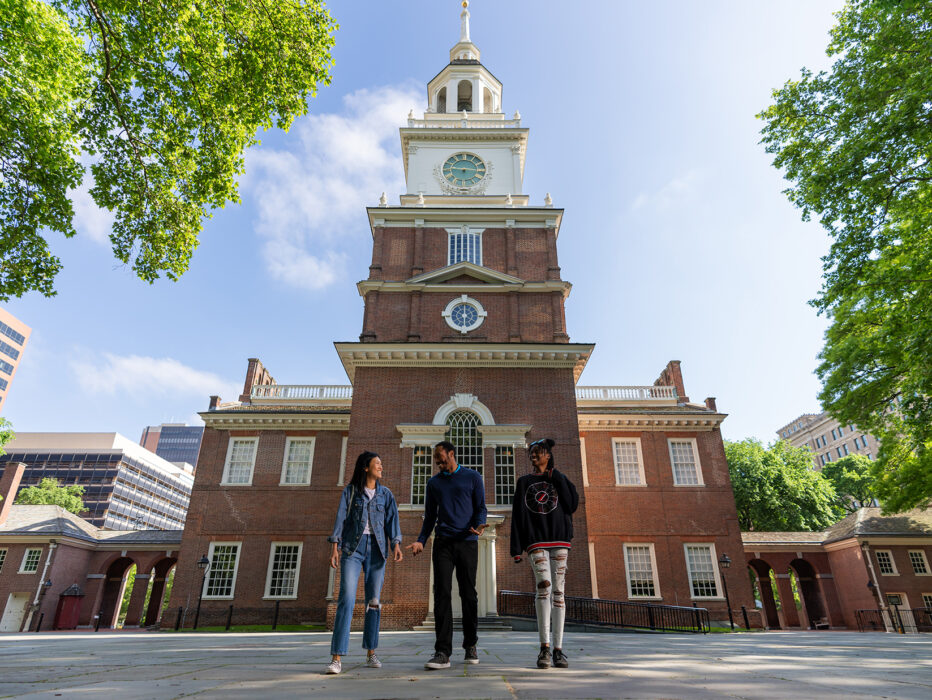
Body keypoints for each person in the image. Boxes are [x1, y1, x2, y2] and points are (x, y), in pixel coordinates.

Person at [406, 441, 487, 670]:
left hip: (467, 542)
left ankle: (470, 645)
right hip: (443, 543)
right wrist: (421, 540)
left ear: (451, 454)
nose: (438, 462)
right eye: (436, 459)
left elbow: (481, 507)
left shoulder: (472, 477)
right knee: (441, 594)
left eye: (441, 458)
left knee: (468, 594)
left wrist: (480, 525)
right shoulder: (434, 483)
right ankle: (442, 652)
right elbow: (430, 516)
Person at [326, 451, 402, 675]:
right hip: (352, 549)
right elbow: (340, 518)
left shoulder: (386, 495)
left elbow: (392, 522)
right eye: (377, 463)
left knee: (374, 602)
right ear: (365, 467)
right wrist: (334, 548)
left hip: (377, 551)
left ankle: (371, 652)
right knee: (347, 599)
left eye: (381, 463)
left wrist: (396, 544)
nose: (381, 466)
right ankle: (336, 657)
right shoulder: (351, 493)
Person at [510, 438, 579, 669]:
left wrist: (555, 476)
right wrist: (516, 548)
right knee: (544, 588)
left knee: (559, 592)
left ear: (548, 455)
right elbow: (518, 515)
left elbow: (571, 504)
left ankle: (558, 650)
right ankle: (544, 648)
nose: (533, 456)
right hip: (536, 542)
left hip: (560, 541)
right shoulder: (524, 482)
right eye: (531, 453)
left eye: (537, 452)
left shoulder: (560, 479)